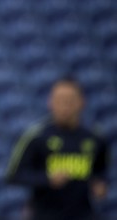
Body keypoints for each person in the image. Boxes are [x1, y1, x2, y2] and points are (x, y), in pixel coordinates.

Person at [6, 77, 110, 220]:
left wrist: (100, 185)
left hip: (83, 214)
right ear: (50, 102)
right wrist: (47, 179)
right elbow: (14, 174)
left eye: (70, 100)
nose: (65, 106)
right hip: (45, 214)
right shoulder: (37, 136)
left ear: (82, 102)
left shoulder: (95, 137)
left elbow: (101, 171)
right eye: (60, 100)